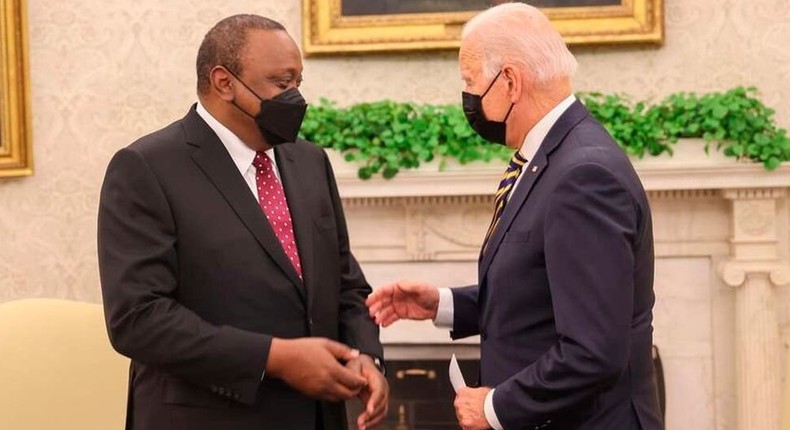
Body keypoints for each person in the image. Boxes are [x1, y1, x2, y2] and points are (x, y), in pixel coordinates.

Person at [366, 3, 662, 430]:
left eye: (470, 82)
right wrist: (444, 304)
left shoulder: (583, 174)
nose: (467, 98)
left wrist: (494, 407)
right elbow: (544, 291)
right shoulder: (555, 154)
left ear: (509, 81)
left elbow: (593, 351)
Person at [98, 14, 388, 430]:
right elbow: (138, 320)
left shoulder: (309, 161)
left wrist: (366, 355)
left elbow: (345, 283)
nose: (296, 98)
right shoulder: (147, 167)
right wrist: (275, 358)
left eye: (298, 83)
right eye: (281, 83)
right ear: (224, 82)